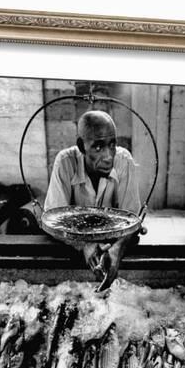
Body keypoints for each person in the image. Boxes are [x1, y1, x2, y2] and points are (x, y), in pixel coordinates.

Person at [44, 110, 141, 290]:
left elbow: (133, 220)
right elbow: (53, 221)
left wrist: (117, 250)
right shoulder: (65, 162)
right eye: (98, 147)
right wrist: (84, 245)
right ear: (82, 146)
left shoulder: (124, 160)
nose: (108, 156)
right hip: (72, 252)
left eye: (112, 144)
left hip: (111, 244)